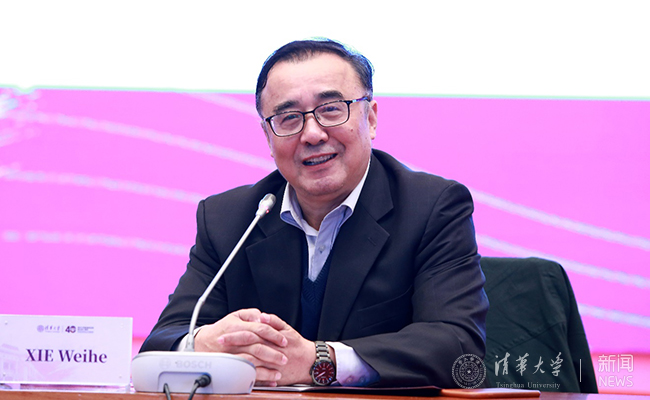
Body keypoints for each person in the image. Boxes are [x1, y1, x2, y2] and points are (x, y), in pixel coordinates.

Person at [140, 38, 489, 388]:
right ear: (268, 137)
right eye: (289, 118)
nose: (312, 134)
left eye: (331, 109)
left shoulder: (431, 207)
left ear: (370, 119)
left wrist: (321, 360)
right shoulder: (229, 218)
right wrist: (204, 343)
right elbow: (162, 340)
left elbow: (458, 346)